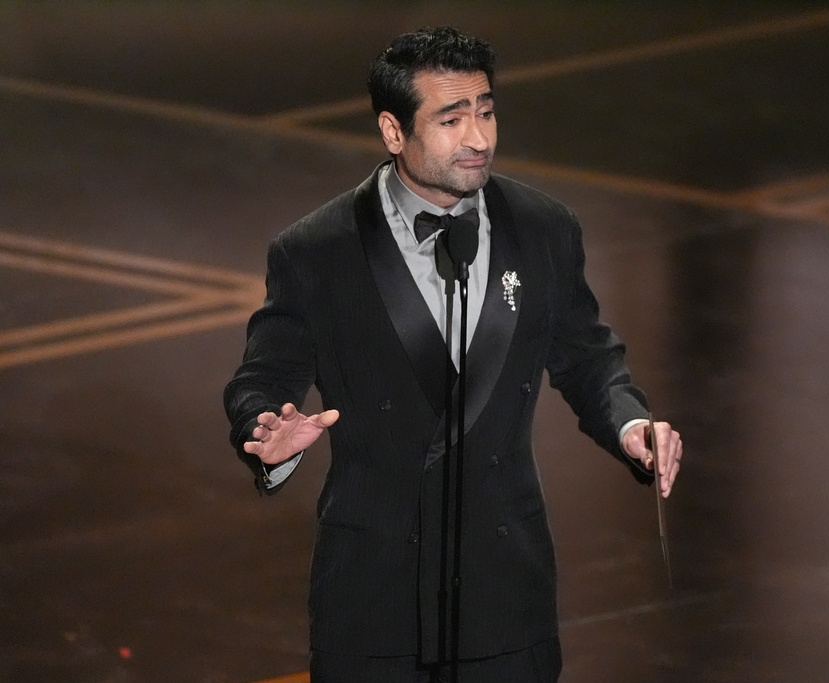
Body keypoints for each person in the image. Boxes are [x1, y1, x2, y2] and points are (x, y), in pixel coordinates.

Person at [223, 25, 682, 683]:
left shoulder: (544, 228)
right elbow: (264, 377)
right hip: (373, 596)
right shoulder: (317, 250)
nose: (479, 138)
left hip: (505, 590)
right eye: (451, 119)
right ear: (393, 131)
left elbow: (588, 358)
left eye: (485, 112)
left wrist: (631, 422)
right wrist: (267, 430)